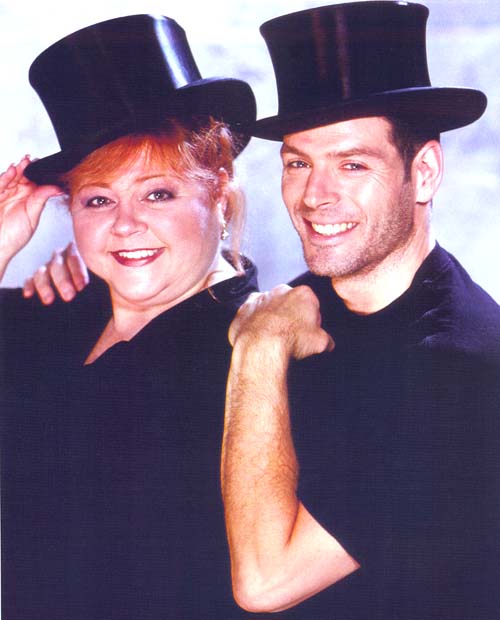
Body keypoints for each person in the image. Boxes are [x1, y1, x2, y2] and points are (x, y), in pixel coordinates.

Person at [220, 3, 500, 619]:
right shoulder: (303, 298)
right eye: (299, 163)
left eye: (352, 164)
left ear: (423, 172)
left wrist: (260, 351)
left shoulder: (463, 368)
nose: (315, 196)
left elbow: (265, 582)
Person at [0, 14, 260, 620]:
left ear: (219, 196)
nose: (125, 225)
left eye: (157, 193)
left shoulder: (252, 354)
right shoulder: (44, 319)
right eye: (98, 199)